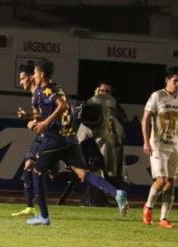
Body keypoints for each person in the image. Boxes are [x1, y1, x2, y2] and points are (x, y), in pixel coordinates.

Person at [26, 58, 129, 226]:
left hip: (55, 139)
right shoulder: (56, 87)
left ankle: (44, 217)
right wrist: (34, 120)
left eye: (35, 73)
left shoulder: (45, 90)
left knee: (36, 172)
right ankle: (116, 193)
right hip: (70, 138)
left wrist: (44, 123)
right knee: (83, 174)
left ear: (42, 74)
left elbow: (62, 106)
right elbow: (50, 112)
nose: (34, 76)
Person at [141, 66, 178, 229]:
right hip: (158, 145)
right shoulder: (157, 96)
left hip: (174, 147)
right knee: (161, 180)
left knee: (170, 182)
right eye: (175, 80)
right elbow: (145, 119)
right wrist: (146, 141)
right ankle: (148, 206)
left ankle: (164, 219)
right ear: (167, 80)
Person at [77, 81, 127, 188]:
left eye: (107, 91)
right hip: (88, 141)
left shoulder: (113, 105)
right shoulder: (91, 103)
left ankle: (109, 174)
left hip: (109, 139)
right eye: (102, 91)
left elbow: (121, 126)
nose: (104, 94)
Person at [11, 63, 39, 217]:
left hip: (50, 137)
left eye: (22, 78)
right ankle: (31, 207)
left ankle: (115, 192)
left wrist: (35, 123)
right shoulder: (35, 94)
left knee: (77, 173)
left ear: (30, 77)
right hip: (43, 136)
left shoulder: (39, 93)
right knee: (29, 166)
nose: (20, 82)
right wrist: (28, 117)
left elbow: (48, 115)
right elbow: (41, 115)